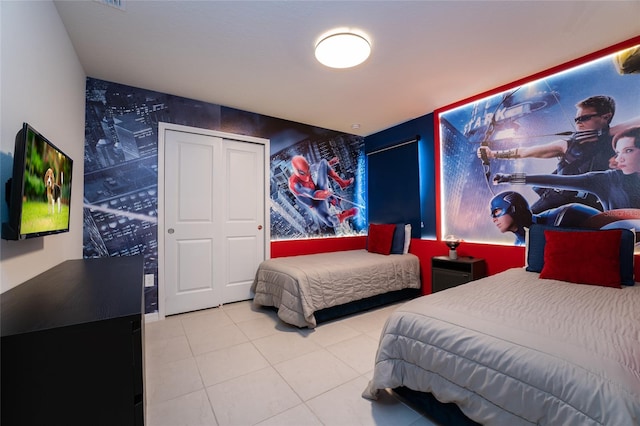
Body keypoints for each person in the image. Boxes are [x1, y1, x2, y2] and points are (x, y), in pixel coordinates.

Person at [478, 95, 617, 213]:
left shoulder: (619, 143)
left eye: (585, 118)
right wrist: (492, 154)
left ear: (606, 117)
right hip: (555, 201)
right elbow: (525, 152)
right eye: (576, 120)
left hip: (592, 208)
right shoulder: (566, 145)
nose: (579, 124)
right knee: (528, 227)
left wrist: (604, 134)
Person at [493, 127, 640, 211]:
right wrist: (509, 178)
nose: (619, 158)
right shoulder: (608, 179)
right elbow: (556, 181)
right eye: (618, 152)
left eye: (628, 151)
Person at [489, 191, 600, 245]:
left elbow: (608, 222)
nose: (494, 219)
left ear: (514, 208)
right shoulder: (519, 244)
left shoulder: (565, 214)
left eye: (497, 211)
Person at [288, 155, 357, 228]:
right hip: (315, 203)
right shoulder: (294, 184)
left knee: (324, 162)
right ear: (296, 171)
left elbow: (316, 167)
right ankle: (346, 214)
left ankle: (342, 183)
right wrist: (324, 194)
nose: (307, 175)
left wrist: (331, 162)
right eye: (303, 173)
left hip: (319, 190)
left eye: (308, 170)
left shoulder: (307, 169)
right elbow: (311, 194)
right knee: (331, 222)